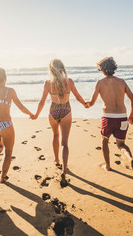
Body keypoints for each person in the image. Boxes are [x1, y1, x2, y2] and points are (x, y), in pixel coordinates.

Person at [31, 59, 88, 187]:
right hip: (66, 111)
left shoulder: (47, 84)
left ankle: (56, 160)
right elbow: (78, 96)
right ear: (62, 69)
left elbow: (41, 102)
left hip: (53, 111)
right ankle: (64, 170)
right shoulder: (69, 82)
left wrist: (36, 115)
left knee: (55, 135)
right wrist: (85, 104)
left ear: (50, 70)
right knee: (65, 143)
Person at [86, 57, 133, 178]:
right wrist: (132, 114)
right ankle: (130, 158)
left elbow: (92, 102)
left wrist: (86, 104)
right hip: (122, 117)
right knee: (121, 144)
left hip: (108, 118)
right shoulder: (121, 82)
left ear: (102, 69)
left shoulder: (100, 83)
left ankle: (108, 166)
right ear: (113, 68)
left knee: (105, 141)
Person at [0, 67, 34, 183]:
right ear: (5, 78)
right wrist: (31, 114)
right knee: (8, 153)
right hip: (6, 124)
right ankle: (3, 177)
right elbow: (21, 107)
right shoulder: (10, 91)